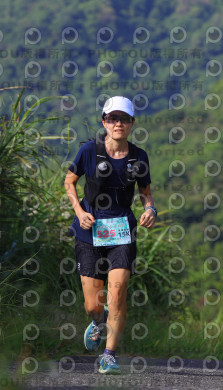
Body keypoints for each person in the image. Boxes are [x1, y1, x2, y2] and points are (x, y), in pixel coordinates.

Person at [64, 96, 157, 374]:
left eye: (124, 119)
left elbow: (145, 192)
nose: (118, 124)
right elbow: (69, 181)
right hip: (89, 230)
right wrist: (79, 211)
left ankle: (109, 356)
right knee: (92, 305)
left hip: (122, 231)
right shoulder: (89, 151)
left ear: (132, 123)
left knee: (117, 295)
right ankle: (98, 320)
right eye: (113, 118)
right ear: (104, 121)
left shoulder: (139, 157)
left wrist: (150, 209)